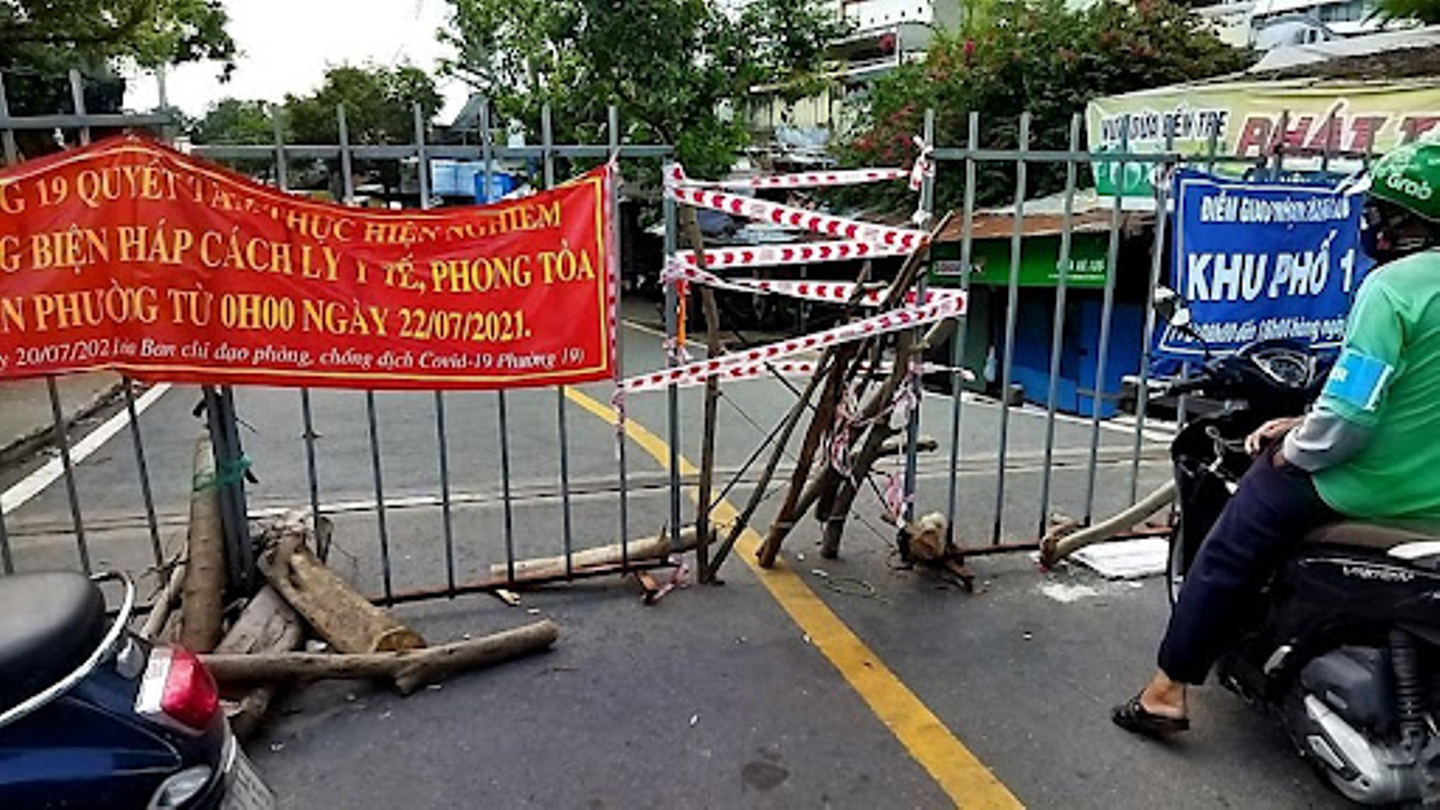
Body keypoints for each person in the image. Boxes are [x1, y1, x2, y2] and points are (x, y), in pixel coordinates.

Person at [1113, 141, 1440, 737]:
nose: (1371, 225)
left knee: (1233, 539)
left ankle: (1166, 691)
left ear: (1405, 222)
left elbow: (1349, 421)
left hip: (1371, 485)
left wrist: (1290, 449)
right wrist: (1304, 419)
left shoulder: (1392, 289)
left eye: (1380, 213)